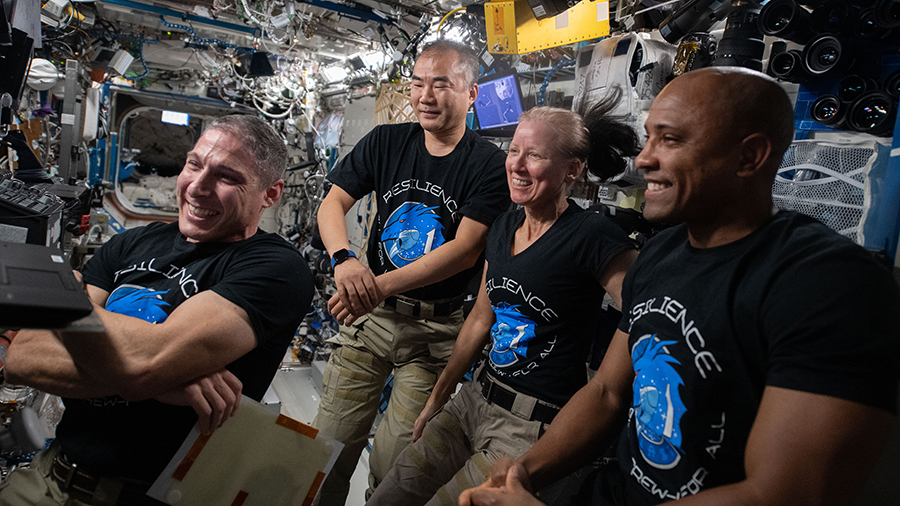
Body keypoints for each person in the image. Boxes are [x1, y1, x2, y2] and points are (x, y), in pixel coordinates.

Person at [460, 67, 900, 506]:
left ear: (749, 157)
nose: (644, 159)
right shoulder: (660, 256)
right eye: (649, 137)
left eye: (669, 140)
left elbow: (784, 492)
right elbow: (607, 393)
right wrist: (526, 471)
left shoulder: (830, 284)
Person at [1, 114, 314, 506]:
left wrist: (70, 298)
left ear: (270, 194)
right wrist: (167, 380)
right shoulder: (129, 244)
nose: (197, 187)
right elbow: (23, 357)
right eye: (194, 164)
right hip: (49, 478)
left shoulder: (275, 268)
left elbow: (143, 365)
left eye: (226, 177)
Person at [365, 96, 641, 506]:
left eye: (535, 155)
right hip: (474, 400)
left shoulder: (592, 236)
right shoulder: (504, 224)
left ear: (573, 169)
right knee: (390, 494)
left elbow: (646, 311)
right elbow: (480, 318)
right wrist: (438, 399)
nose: (517, 164)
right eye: (513, 151)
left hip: (530, 427)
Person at [312, 40, 510, 505]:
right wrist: (345, 260)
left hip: (434, 332)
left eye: (442, 84)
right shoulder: (387, 142)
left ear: (472, 94)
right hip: (370, 324)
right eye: (418, 83)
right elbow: (333, 203)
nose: (426, 95)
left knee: (396, 466)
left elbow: (465, 251)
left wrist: (372, 286)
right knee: (326, 450)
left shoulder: (489, 165)